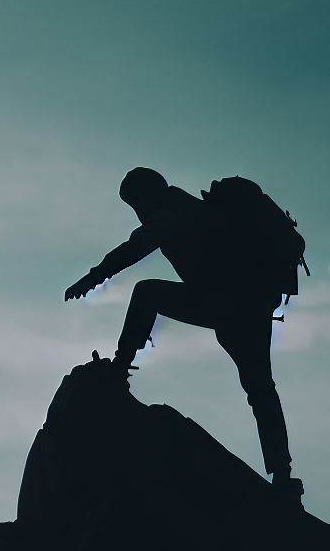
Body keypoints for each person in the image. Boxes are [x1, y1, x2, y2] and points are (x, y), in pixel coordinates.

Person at [65, 167, 304, 503]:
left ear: (145, 195)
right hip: (251, 305)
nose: (136, 210)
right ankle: (283, 474)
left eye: (134, 202)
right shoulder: (192, 207)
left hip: (225, 302)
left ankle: (120, 368)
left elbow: (134, 248)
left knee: (147, 293)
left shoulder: (170, 213)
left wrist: (92, 278)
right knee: (260, 386)